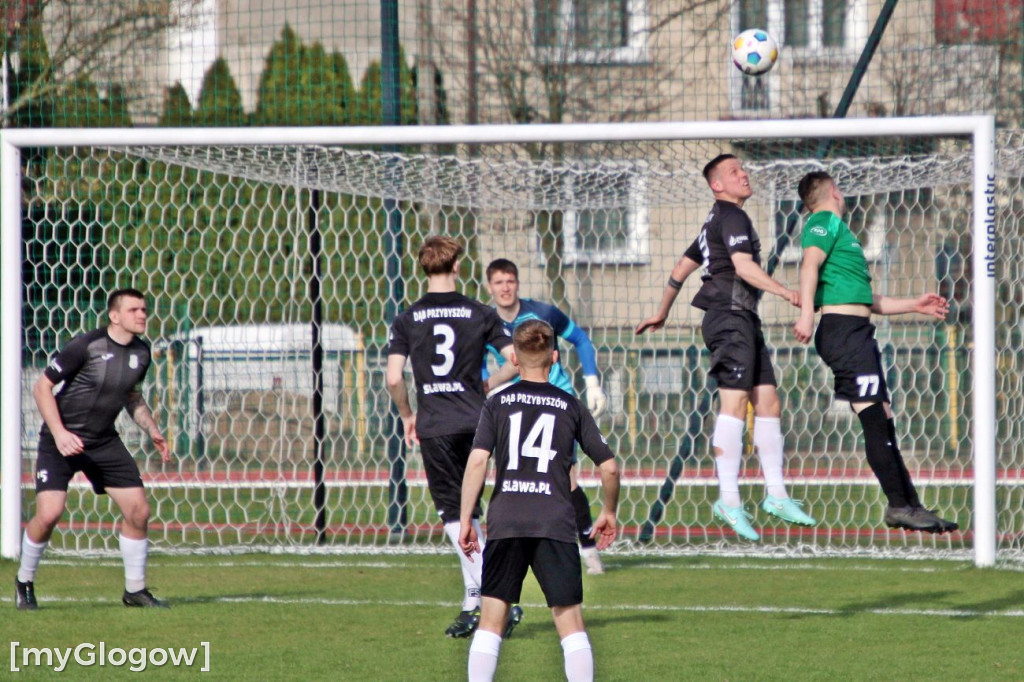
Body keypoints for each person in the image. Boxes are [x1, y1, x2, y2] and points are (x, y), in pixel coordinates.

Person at [635, 153, 815, 542]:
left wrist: (661, 312)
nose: (744, 174)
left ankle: (777, 494)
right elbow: (745, 268)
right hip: (728, 319)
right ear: (717, 184)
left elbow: (679, 271)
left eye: (743, 169)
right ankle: (728, 499)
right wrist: (786, 291)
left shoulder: (714, 222)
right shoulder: (731, 217)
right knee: (734, 405)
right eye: (735, 172)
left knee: (767, 401)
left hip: (742, 320)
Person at [793, 170, 958, 533]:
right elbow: (808, 263)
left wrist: (915, 304)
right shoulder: (822, 222)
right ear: (833, 192)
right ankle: (900, 506)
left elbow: (866, 300)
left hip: (857, 332)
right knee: (873, 418)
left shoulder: (845, 235)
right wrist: (806, 314)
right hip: (843, 333)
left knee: (882, 416)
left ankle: (910, 504)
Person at [460, 319, 619, 682]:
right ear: (556, 358)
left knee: (491, 620)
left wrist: (467, 517)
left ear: (514, 359)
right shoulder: (570, 406)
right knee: (571, 623)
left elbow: (478, 460)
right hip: (555, 521)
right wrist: (608, 511)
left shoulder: (497, 403)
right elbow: (609, 467)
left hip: (507, 521)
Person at [385, 235, 521, 638]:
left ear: (422, 268)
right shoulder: (479, 312)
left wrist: (408, 414)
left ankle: (496, 600)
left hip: (437, 425)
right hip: (478, 421)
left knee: (453, 514)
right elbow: (516, 359)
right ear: (457, 267)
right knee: (473, 512)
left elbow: (394, 378)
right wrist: (486, 384)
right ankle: (473, 602)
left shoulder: (407, 319)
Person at [15, 288, 173, 610]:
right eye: (133, 310)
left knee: (138, 510)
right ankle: (24, 582)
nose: (142, 314)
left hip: (102, 441)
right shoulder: (86, 346)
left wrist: (153, 430)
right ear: (114, 316)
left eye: (143, 309)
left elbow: (132, 397)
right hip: (61, 440)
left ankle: (135, 591)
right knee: (49, 514)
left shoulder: (142, 353)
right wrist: (59, 433)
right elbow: (42, 386)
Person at [483, 258, 608, 575]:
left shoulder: (542, 313)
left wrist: (592, 382)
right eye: (498, 282)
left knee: (566, 481)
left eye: (510, 280)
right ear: (490, 287)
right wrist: (488, 390)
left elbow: (580, 338)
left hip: (555, 402)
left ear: (518, 283)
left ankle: (588, 548)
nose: (505, 287)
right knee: (509, 479)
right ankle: (515, 546)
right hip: (514, 407)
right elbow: (480, 365)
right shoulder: (485, 323)